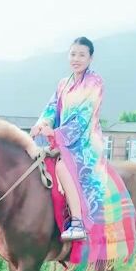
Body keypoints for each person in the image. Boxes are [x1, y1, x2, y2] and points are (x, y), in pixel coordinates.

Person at [31, 36, 104, 241]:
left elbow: (83, 118)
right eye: (73, 54)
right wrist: (42, 124)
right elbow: (51, 108)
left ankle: (78, 223)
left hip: (85, 142)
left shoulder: (94, 82)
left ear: (90, 58)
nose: (76, 59)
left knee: (63, 166)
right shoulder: (63, 83)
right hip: (62, 141)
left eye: (82, 55)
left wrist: (55, 134)